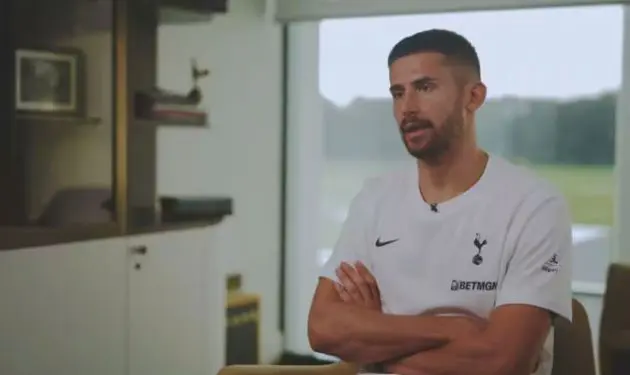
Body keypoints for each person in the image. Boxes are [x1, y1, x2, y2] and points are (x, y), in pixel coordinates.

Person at [307, 29, 573, 375]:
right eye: (398, 93)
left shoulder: (535, 207)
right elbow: (322, 328)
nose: (408, 108)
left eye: (425, 87)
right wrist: (456, 330)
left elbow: (501, 361)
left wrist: (374, 333)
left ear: (473, 97)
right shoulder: (374, 199)